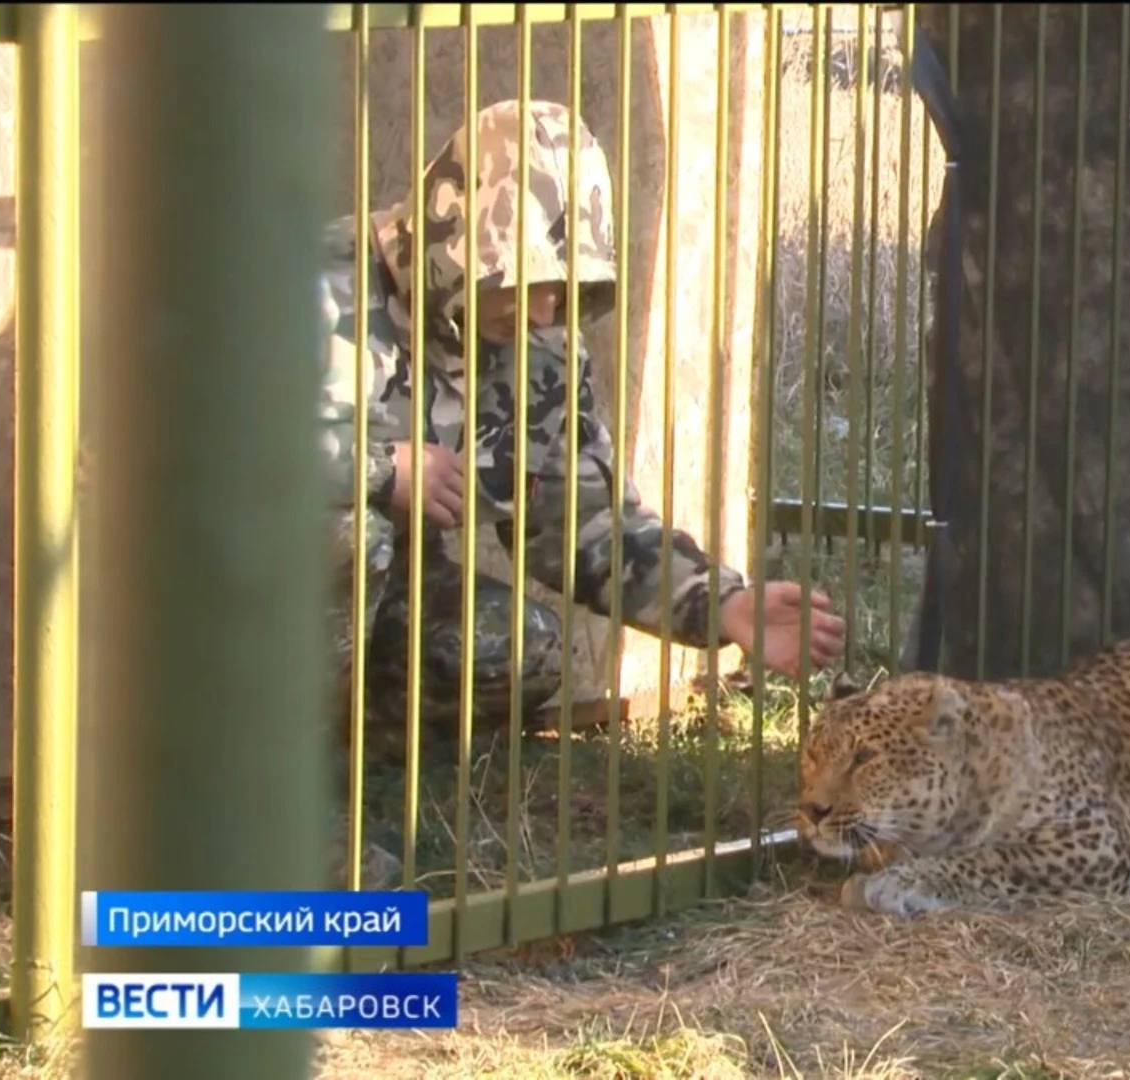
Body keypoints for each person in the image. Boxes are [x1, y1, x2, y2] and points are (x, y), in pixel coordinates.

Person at [317, 97, 846, 741]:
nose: (546, 310)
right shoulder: (313, 281)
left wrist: (722, 602)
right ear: (461, 244)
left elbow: (585, 520)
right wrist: (378, 466)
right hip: (215, 590)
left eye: (566, 285)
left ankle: (333, 761)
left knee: (515, 653)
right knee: (351, 527)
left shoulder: (540, 347)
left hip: (372, 598)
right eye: (530, 276)